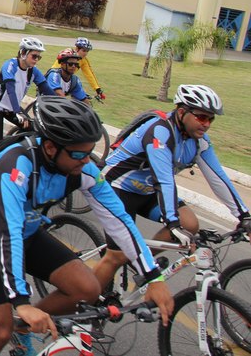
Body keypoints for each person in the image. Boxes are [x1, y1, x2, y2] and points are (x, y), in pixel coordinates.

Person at [0, 96, 173, 356]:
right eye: (80, 154)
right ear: (50, 148)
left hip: (27, 229)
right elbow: (8, 232)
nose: (87, 161)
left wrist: (154, 277)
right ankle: (13, 326)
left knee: (87, 288)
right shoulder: (17, 164)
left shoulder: (84, 169)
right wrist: (21, 301)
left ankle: (23, 328)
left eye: (90, 152)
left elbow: (120, 222)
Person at [93, 84, 251, 292]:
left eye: (211, 119)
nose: (207, 124)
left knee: (190, 224)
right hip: (118, 188)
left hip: (147, 191)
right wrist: (172, 222)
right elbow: (164, 179)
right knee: (117, 255)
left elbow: (218, 177)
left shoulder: (199, 140)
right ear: (182, 112)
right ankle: (84, 304)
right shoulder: (159, 131)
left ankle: (140, 262)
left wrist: (244, 216)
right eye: (202, 117)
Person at [0, 37, 55, 145]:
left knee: (33, 130)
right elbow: (11, 90)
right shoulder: (10, 65)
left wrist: (66, 106)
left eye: (39, 57)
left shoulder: (33, 71)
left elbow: (47, 90)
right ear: (23, 53)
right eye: (34, 56)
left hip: (11, 107)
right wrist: (18, 112)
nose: (36, 60)